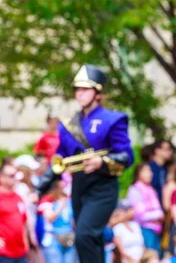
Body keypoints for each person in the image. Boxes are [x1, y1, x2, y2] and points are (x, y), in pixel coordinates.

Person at [36, 64, 134, 263]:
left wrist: (103, 161)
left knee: (84, 235)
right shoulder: (68, 125)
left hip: (103, 187)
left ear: (97, 93)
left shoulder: (113, 120)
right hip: (80, 186)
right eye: (77, 89)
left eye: (85, 89)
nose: (79, 94)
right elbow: (59, 160)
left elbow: (126, 156)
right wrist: (38, 190)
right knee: (93, 239)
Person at [126, 163, 164, 252]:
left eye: (150, 171)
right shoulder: (134, 190)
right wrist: (158, 215)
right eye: (146, 171)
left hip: (155, 229)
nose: (150, 174)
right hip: (143, 229)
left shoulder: (151, 189)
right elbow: (140, 215)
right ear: (138, 174)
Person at [39, 179, 76, 263]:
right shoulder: (47, 200)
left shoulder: (68, 200)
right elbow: (50, 218)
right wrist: (60, 207)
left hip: (69, 238)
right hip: (53, 239)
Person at [0, 163, 29, 263]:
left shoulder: (18, 197)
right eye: (11, 175)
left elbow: (23, 221)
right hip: (4, 253)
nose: (15, 178)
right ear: (1, 178)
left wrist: (26, 242)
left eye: (16, 174)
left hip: (21, 252)